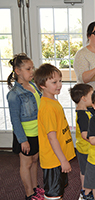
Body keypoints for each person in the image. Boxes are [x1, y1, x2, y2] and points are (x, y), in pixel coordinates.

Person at [34, 64, 76, 200]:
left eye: (60, 81)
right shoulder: (47, 107)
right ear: (42, 85)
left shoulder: (53, 101)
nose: (59, 85)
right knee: (53, 195)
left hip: (58, 158)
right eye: (54, 82)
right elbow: (52, 138)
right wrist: (63, 160)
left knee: (58, 193)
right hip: (54, 161)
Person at [6, 53, 44, 200]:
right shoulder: (14, 94)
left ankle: (35, 188)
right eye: (28, 69)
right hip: (25, 135)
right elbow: (15, 120)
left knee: (35, 160)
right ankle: (29, 194)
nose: (32, 71)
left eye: (32, 68)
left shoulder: (33, 86)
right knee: (26, 163)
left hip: (37, 132)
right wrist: (23, 140)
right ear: (17, 71)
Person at [69, 83, 94, 199]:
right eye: (92, 95)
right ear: (83, 98)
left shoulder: (85, 110)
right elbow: (85, 135)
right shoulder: (82, 114)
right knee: (85, 171)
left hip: (87, 148)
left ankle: (88, 189)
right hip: (85, 149)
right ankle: (86, 192)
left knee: (88, 170)